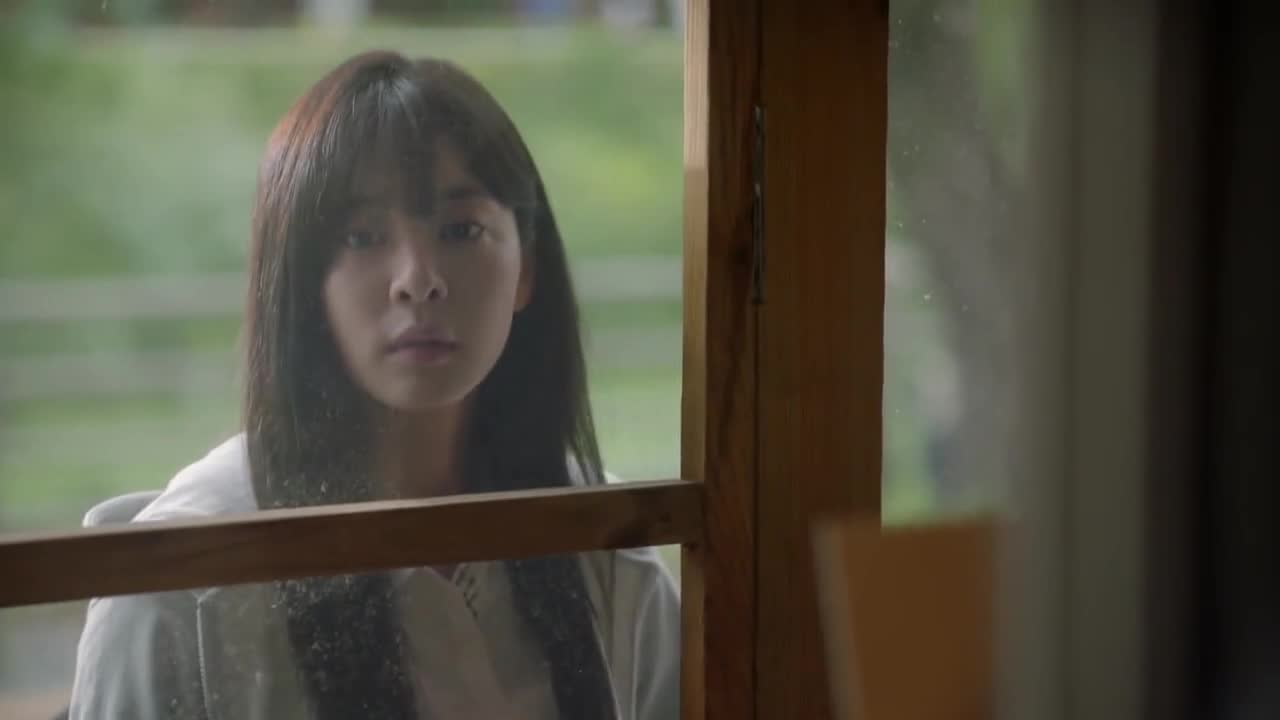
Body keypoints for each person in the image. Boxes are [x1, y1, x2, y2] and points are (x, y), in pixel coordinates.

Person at [67, 50, 680, 720]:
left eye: (461, 230)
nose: (417, 279)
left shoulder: (608, 555)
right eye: (362, 237)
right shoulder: (179, 591)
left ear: (526, 269)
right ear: (302, 281)